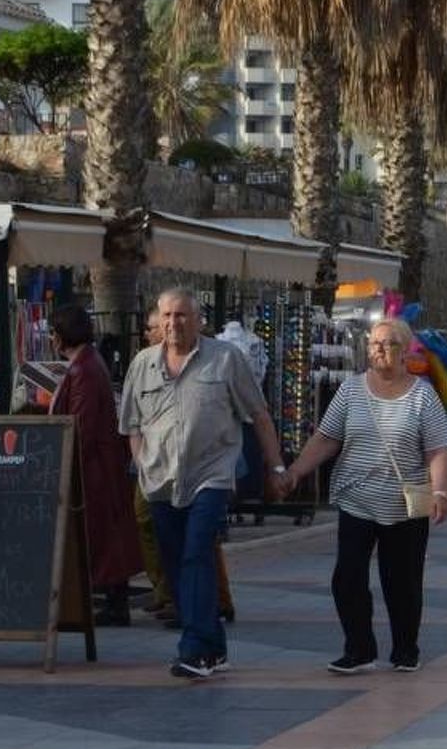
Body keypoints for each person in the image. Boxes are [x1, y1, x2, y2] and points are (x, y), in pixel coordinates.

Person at [121, 289, 285, 680]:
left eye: (181, 316)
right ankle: (214, 645)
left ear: (198, 321)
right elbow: (131, 425)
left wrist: (277, 467)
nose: (173, 323)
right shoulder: (142, 364)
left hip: (210, 475)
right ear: (158, 321)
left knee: (197, 553)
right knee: (176, 562)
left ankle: (193, 648)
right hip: (160, 479)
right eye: (167, 316)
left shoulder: (226, 359)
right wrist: (144, 463)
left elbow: (258, 415)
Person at [281, 318, 447, 675]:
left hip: (406, 502)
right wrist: (297, 470)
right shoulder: (351, 391)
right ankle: (358, 648)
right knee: (347, 577)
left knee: (402, 581)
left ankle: (406, 648)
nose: (377, 350)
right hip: (356, 497)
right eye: (373, 343)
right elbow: (326, 438)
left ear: (405, 352)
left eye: (387, 344)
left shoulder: (423, 395)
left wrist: (440, 491)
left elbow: (438, 448)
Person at [132, 307, 236, 628]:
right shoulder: (147, 364)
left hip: (199, 466)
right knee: (176, 535)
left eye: (153, 327)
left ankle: (201, 610)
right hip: (157, 463)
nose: (151, 333)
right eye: (153, 327)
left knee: (196, 541)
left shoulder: (215, 360)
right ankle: (183, 603)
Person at [48, 304, 141, 626]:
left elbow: (81, 424)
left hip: (94, 469)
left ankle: (114, 602)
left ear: (60, 335)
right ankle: (113, 598)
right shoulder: (88, 363)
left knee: (101, 534)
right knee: (107, 534)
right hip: (99, 465)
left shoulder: (83, 369)